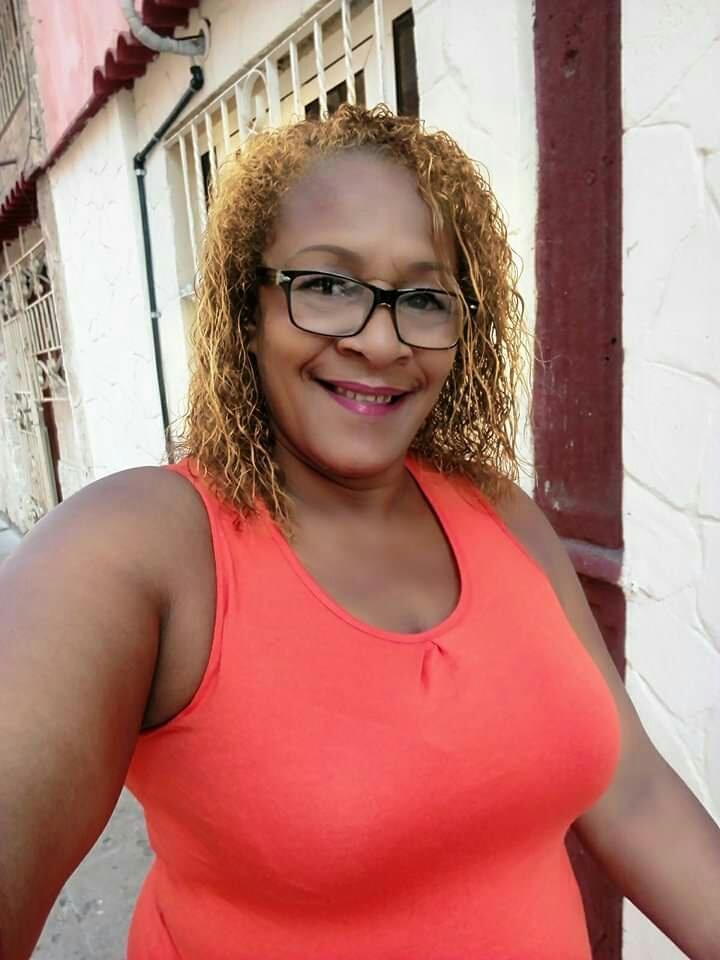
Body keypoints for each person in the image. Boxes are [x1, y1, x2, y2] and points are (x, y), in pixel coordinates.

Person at [0, 105, 718, 960]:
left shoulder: (501, 514)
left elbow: (633, 794)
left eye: (423, 298)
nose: (380, 342)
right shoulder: (140, 550)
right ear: (248, 310)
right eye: (328, 286)